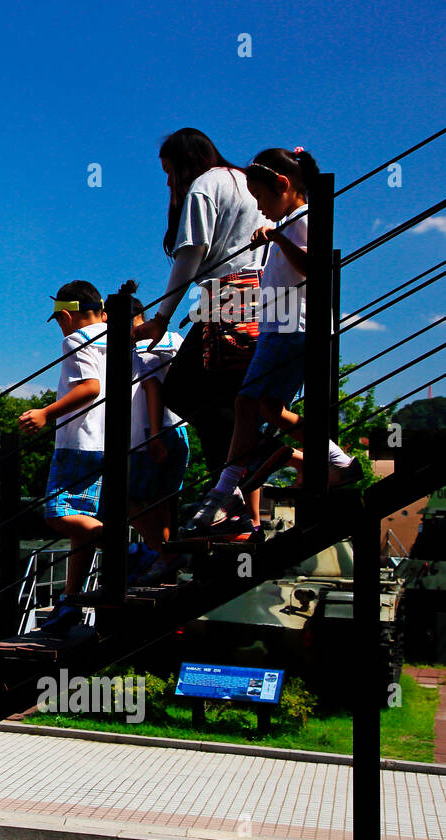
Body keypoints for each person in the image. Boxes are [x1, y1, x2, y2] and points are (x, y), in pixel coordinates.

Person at [184, 147, 358, 534]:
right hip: (284, 327)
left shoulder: (300, 219)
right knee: (267, 407)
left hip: (291, 327)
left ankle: (226, 489)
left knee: (247, 403)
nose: (260, 208)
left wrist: (279, 239)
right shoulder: (291, 222)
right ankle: (338, 460)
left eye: (261, 197)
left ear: (283, 185)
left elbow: (315, 267)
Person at [134, 128, 271, 537]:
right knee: (229, 402)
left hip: (227, 297)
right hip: (264, 296)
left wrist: (161, 316)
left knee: (190, 394)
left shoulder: (204, 185)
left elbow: (190, 252)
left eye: (168, 170)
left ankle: (234, 494)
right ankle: (235, 498)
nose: (167, 181)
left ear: (184, 162)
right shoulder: (247, 182)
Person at [18, 281, 109, 636]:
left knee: (58, 515)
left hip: (79, 441)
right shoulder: (119, 338)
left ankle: (128, 552)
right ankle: (71, 601)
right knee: (80, 524)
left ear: (67, 316)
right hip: (113, 441)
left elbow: (89, 388)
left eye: (59, 320)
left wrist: (45, 413)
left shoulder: (75, 339)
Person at [129, 294, 190, 584]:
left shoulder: (139, 347)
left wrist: (153, 433)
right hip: (179, 428)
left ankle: (160, 555)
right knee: (164, 503)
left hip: (152, 430)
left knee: (129, 500)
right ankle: (166, 564)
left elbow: (151, 386)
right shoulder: (175, 339)